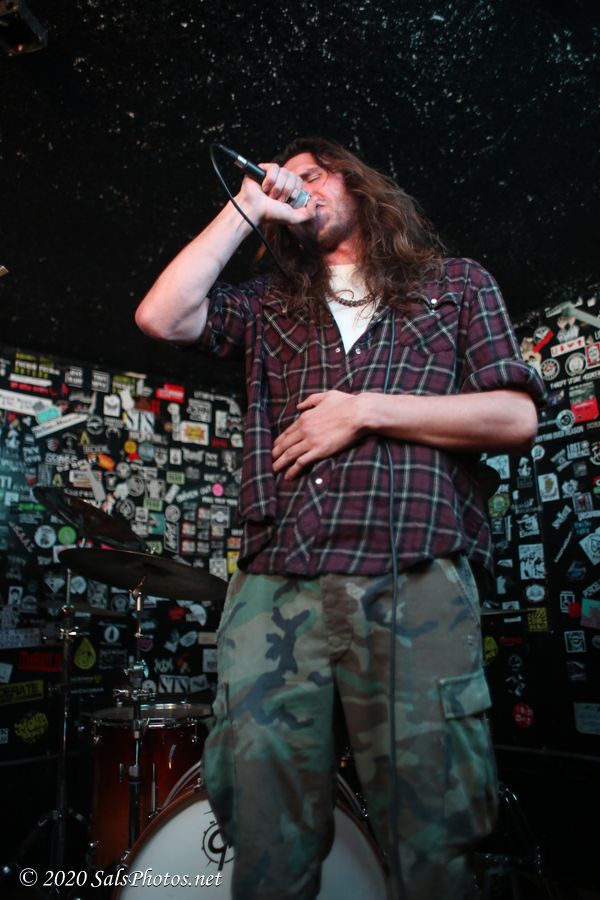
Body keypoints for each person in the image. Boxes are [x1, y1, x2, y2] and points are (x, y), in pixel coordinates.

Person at [135, 137, 546, 900]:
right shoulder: (270, 304)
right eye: (282, 179)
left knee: (435, 838)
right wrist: (246, 206)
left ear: (356, 183)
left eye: (313, 174)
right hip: (277, 581)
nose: (295, 186)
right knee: (265, 836)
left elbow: (514, 417)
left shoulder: (456, 285)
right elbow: (162, 316)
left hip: (413, 577)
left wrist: (364, 410)